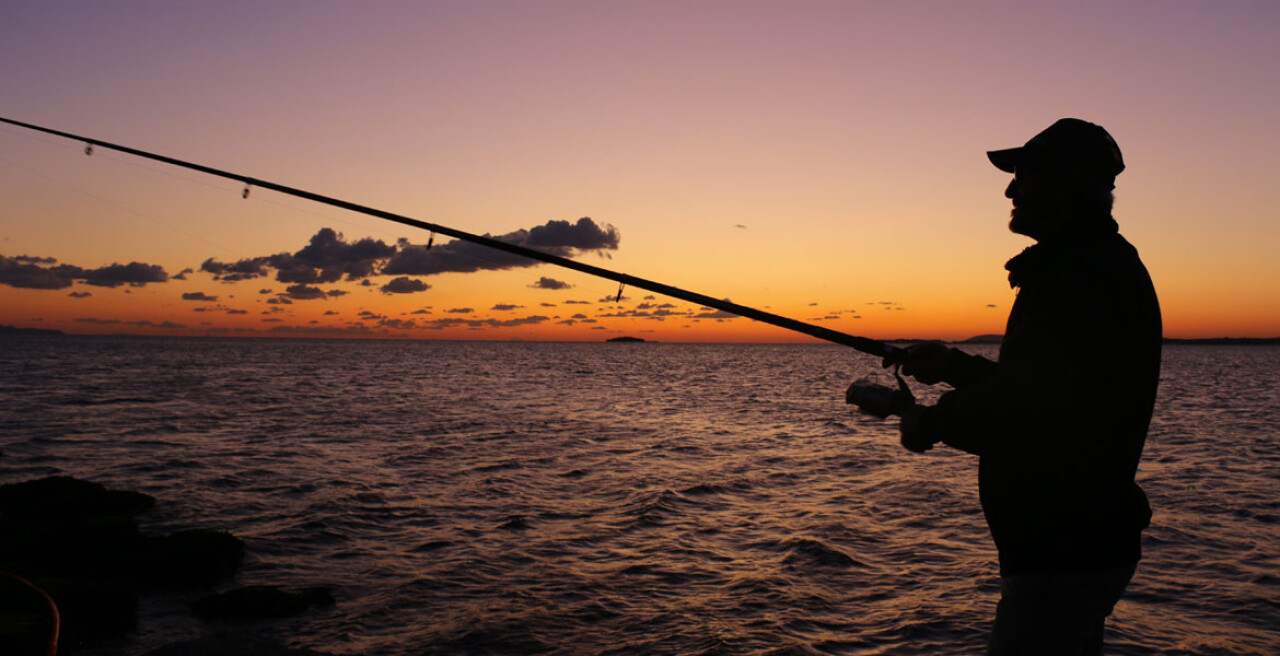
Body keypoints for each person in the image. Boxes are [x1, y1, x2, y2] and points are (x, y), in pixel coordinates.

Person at [894, 118, 1162, 655]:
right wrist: (950, 364)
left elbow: (1025, 412)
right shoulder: (1087, 267)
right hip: (1077, 547)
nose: (1010, 189)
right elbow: (1046, 387)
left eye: (1025, 174)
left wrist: (929, 422)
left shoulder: (1080, 278)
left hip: (1063, 555)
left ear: (1065, 184)